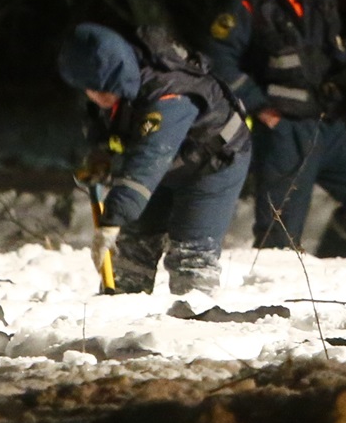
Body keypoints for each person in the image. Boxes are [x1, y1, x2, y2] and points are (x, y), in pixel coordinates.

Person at [205, 0, 346, 257]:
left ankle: (335, 263)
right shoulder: (251, 2)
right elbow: (219, 58)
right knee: (280, 231)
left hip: (328, 122)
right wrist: (259, 105)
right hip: (284, 127)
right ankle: (272, 300)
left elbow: (334, 57)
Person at [58, 23, 252, 295]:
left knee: (191, 259)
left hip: (212, 163)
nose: (95, 96)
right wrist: (102, 156)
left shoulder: (169, 94)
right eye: (89, 89)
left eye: (100, 89)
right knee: (131, 254)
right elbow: (113, 134)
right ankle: (121, 322)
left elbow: (148, 159)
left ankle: (195, 323)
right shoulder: (116, 85)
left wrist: (111, 221)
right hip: (165, 166)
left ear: (115, 74)